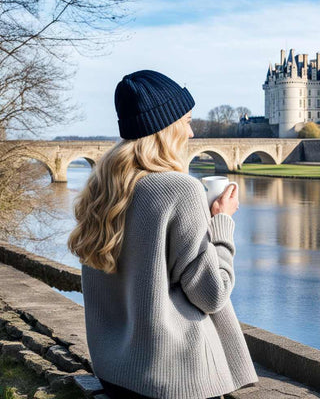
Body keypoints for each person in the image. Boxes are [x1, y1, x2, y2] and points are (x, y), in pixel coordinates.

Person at [67, 70, 259, 399]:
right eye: (186, 120)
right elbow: (213, 295)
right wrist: (222, 224)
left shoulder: (101, 189)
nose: (192, 131)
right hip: (171, 382)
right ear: (165, 128)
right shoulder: (178, 189)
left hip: (117, 375)